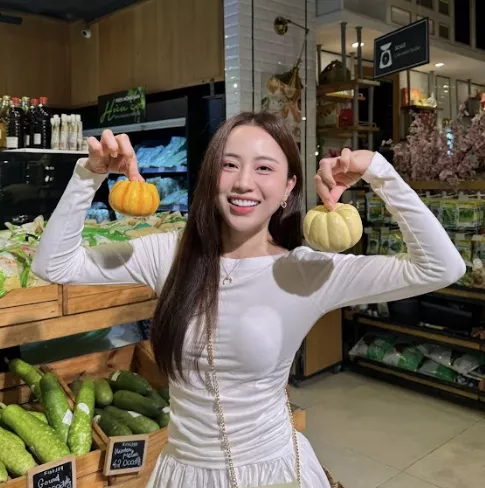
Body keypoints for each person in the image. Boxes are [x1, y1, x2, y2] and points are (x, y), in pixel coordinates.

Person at [32, 112, 465, 488]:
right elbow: (55, 265)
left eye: (264, 168)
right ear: (211, 177)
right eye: (229, 165)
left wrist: (379, 172)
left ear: (288, 186)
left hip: (272, 471)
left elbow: (441, 267)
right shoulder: (169, 254)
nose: (243, 182)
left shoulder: (306, 272)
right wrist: (88, 175)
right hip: (184, 472)